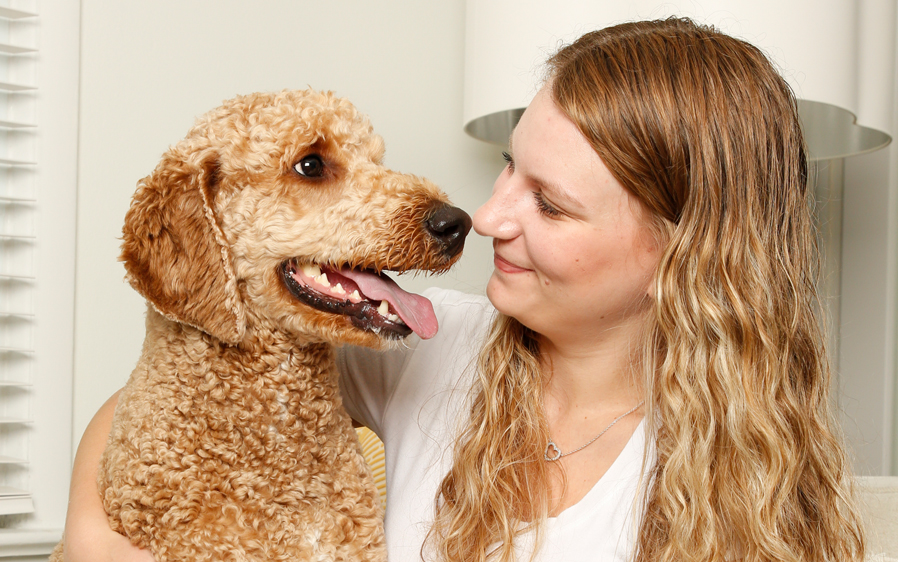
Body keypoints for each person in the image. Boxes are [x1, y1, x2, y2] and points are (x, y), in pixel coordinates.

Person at [62, 17, 866, 562]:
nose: (487, 216)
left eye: (549, 204)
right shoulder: (429, 344)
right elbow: (176, 384)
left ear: (682, 252)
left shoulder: (744, 488)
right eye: (510, 166)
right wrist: (92, 535)